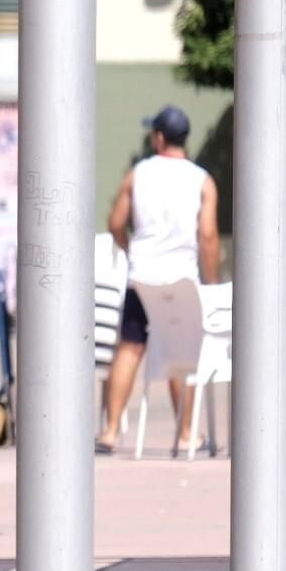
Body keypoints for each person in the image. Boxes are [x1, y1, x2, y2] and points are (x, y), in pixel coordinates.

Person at [95, 105, 221, 455]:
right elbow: (208, 235)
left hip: (143, 278)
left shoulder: (139, 174)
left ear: (159, 137)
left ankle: (109, 432)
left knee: (130, 348)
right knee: (183, 352)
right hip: (182, 279)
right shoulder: (202, 180)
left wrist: (129, 248)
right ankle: (185, 435)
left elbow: (116, 221)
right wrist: (210, 282)